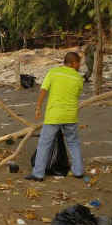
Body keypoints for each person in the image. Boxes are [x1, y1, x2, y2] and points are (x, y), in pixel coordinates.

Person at [25, 52, 84, 182]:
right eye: (79, 63)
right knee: (73, 143)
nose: (80, 65)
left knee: (44, 144)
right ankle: (78, 171)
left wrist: (38, 107)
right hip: (70, 115)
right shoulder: (79, 78)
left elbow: (43, 90)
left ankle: (38, 174)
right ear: (73, 63)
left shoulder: (53, 72)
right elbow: (76, 95)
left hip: (54, 115)